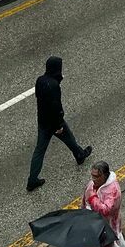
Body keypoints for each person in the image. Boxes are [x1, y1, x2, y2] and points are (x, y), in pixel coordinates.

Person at [27, 56, 92, 191]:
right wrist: (58, 125)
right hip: (54, 122)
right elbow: (56, 106)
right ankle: (79, 155)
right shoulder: (54, 85)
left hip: (43, 121)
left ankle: (32, 179)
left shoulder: (40, 80)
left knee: (39, 151)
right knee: (69, 138)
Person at [82, 161, 125, 247]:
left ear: (104, 175)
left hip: (108, 229)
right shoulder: (91, 185)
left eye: (96, 177)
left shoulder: (113, 190)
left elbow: (106, 210)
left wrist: (93, 199)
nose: (93, 179)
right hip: (92, 226)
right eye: (92, 176)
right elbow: (84, 201)